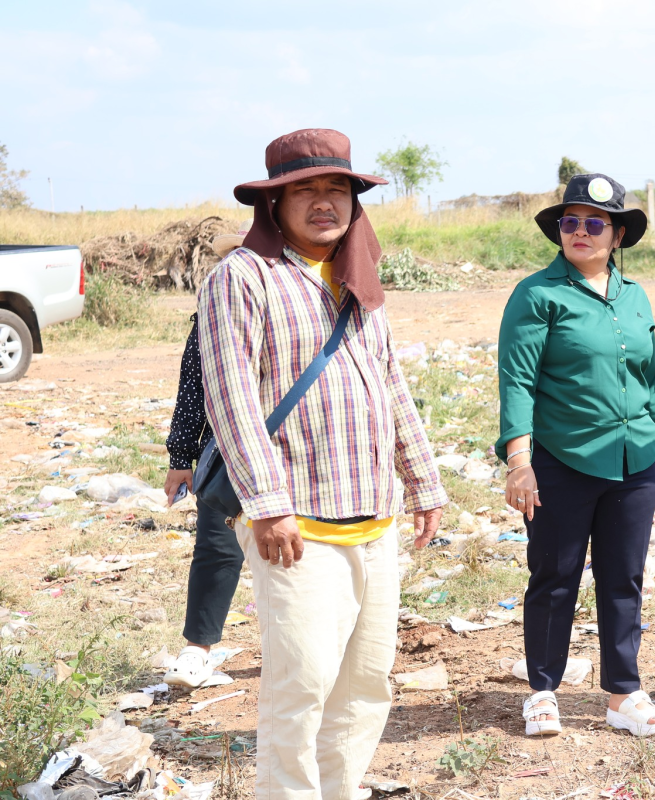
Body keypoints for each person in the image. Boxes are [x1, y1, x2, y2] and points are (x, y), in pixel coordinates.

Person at [197, 128, 449, 800]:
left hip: (375, 514)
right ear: (273, 204)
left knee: (366, 681)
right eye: (303, 190)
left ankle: (341, 790)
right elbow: (232, 398)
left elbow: (390, 381)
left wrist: (423, 480)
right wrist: (268, 505)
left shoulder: (357, 280)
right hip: (297, 523)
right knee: (302, 681)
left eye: (335, 189)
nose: (322, 203)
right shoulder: (241, 278)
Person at [497, 173, 655, 738]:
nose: (579, 231)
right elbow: (517, 381)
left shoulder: (635, 295)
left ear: (617, 233)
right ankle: (543, 691)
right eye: (569, 222)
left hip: (634, 462)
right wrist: (519, 460)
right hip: (562, 459)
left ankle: (622, 693)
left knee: (624, 577)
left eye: (594, 222)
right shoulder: (538, 294)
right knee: (555, 576)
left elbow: (647, 378)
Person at [162, 219, 252, 690]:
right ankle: (197, 651)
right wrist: (181, 457)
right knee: (217, 547)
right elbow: (193, 385)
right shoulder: (217, 305)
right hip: (229, 449)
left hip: (304, 450)